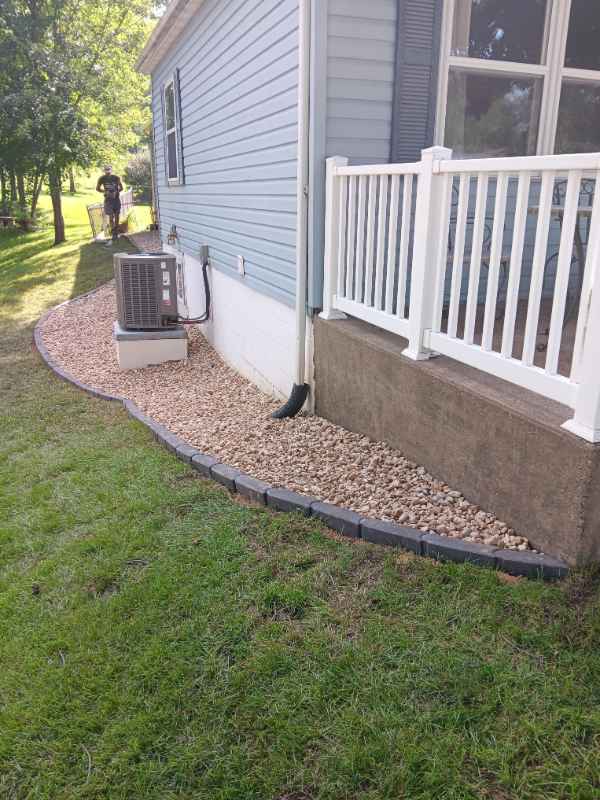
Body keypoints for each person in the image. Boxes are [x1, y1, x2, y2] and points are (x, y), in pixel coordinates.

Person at [96, 165, 123, 243]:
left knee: (117, 216)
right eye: (106, 170)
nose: (107, 171)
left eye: (109, 169)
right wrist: (105, 192)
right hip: (108, 200)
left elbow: (121, 188)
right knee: (111, 217)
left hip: (116, 200)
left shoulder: (116, 178)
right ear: (104, 170)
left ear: (111, 170)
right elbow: (97, 188)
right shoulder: (102, 179)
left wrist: (116, 192)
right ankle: (113, 232)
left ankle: (116, 233)